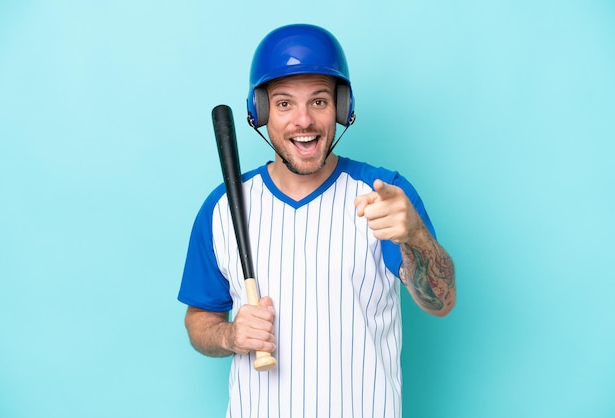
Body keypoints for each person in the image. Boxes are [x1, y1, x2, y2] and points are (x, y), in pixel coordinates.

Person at [178, 23, 456, 418]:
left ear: (341, 109)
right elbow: (199, 320)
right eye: (285, 103)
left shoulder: (386, 194)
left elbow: (441, 301)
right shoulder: (222, 206)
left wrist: (415, 237)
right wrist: (230, 335)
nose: (303, 121)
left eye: (320, 102)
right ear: (261, 113)